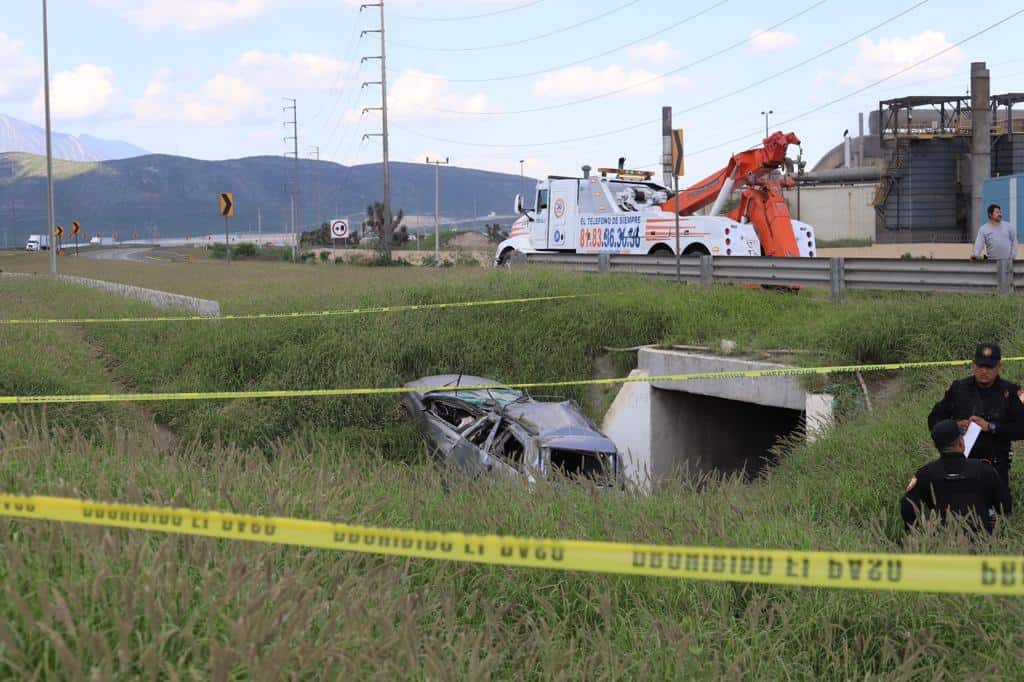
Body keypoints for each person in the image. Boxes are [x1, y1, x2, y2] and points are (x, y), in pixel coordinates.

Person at [928, 343, 1024, 486]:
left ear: (999, 366)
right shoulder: (958, 388)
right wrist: (954, 426)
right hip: (961, 461)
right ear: (973, 365)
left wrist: (991, 427)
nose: (984, 371)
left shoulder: (1011, 392)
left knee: (1003, 506)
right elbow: (934, 419)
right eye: (980, 366)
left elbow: (1021, 429)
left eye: (989, 367)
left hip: (996, 463)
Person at [901, 419, 1011, 533]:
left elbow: (907, 507)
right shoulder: (985, 469)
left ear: (936, 447)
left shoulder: (924, 473)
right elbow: (1005, 506)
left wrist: (920, 530)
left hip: (942, 539)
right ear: (961, 442)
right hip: (983, 538)